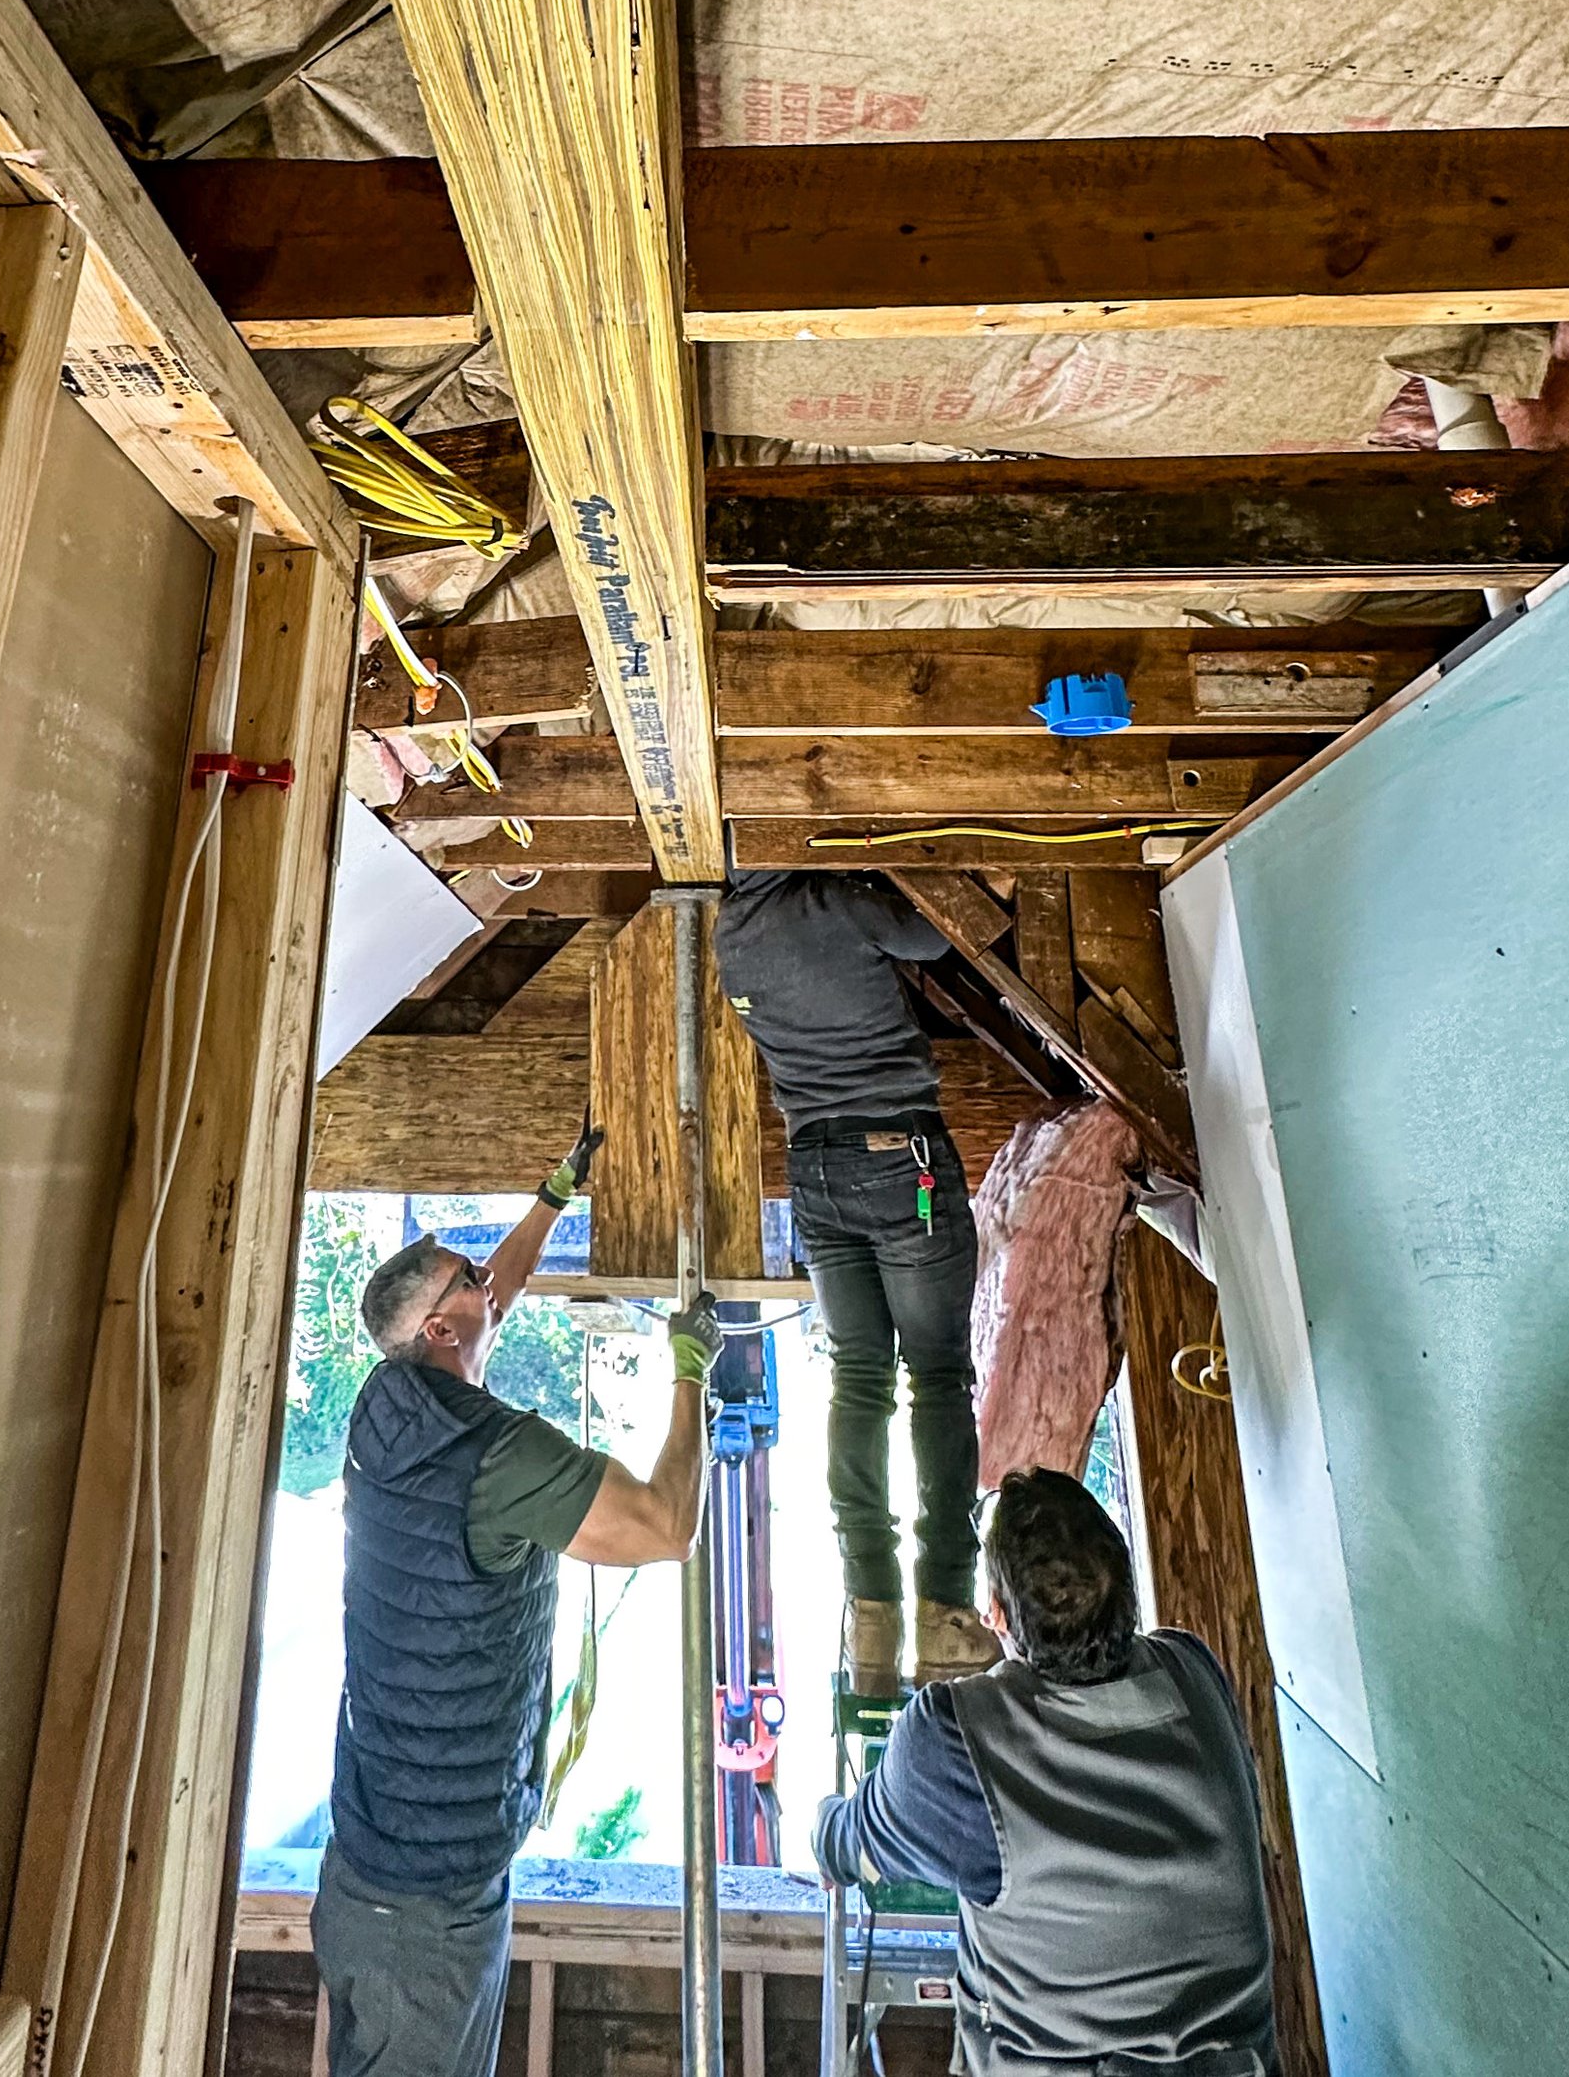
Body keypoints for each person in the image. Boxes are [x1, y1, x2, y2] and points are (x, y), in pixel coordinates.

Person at [315, 1119, 722, 2077]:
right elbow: (668, 1527)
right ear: (443, 1331)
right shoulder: (497, 1457)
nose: (489, 1283)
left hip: (368, 1871)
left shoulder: (385, 1404)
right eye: (468, 1280)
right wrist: (691, 1375)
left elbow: (491, 1294)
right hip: (431, 1913)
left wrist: (556, 1190)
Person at [815, 1468, 1278, 2077]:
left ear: (998, 1617)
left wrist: (826, 1829)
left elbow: (850, 1843)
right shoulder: (1194, 1673)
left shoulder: (956, 1740)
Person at [713, 867, 989, 1690]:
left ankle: (874, 1614)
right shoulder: (832, 899)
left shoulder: (730, 932)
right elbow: (936, 933)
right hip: (895, 1155)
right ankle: (944, 1612)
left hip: (816, 1173)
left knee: (859, 1380)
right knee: (936, 1375)